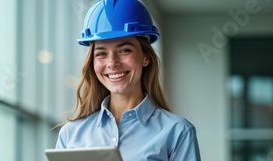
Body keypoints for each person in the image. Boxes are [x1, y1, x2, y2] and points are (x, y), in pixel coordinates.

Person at [55, 0, 201, 160]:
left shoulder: (177, 131)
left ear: (145, 57)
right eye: (101, 53)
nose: (112, 63)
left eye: (124, 50)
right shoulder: (70, 134)